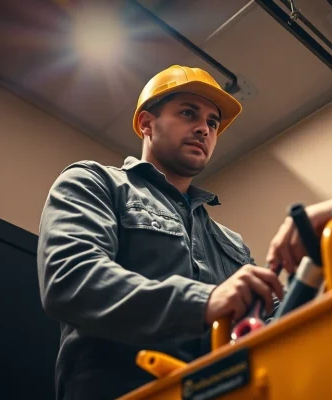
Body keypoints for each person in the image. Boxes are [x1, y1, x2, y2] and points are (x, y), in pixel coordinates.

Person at [37, 65, 284, 399]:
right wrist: (203, 302)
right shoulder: (94, 183)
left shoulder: (232, 243)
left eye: (212, 122)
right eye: (188, 113)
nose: (204, 129)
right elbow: (71, 280)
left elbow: (258, 327)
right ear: (146, 124)